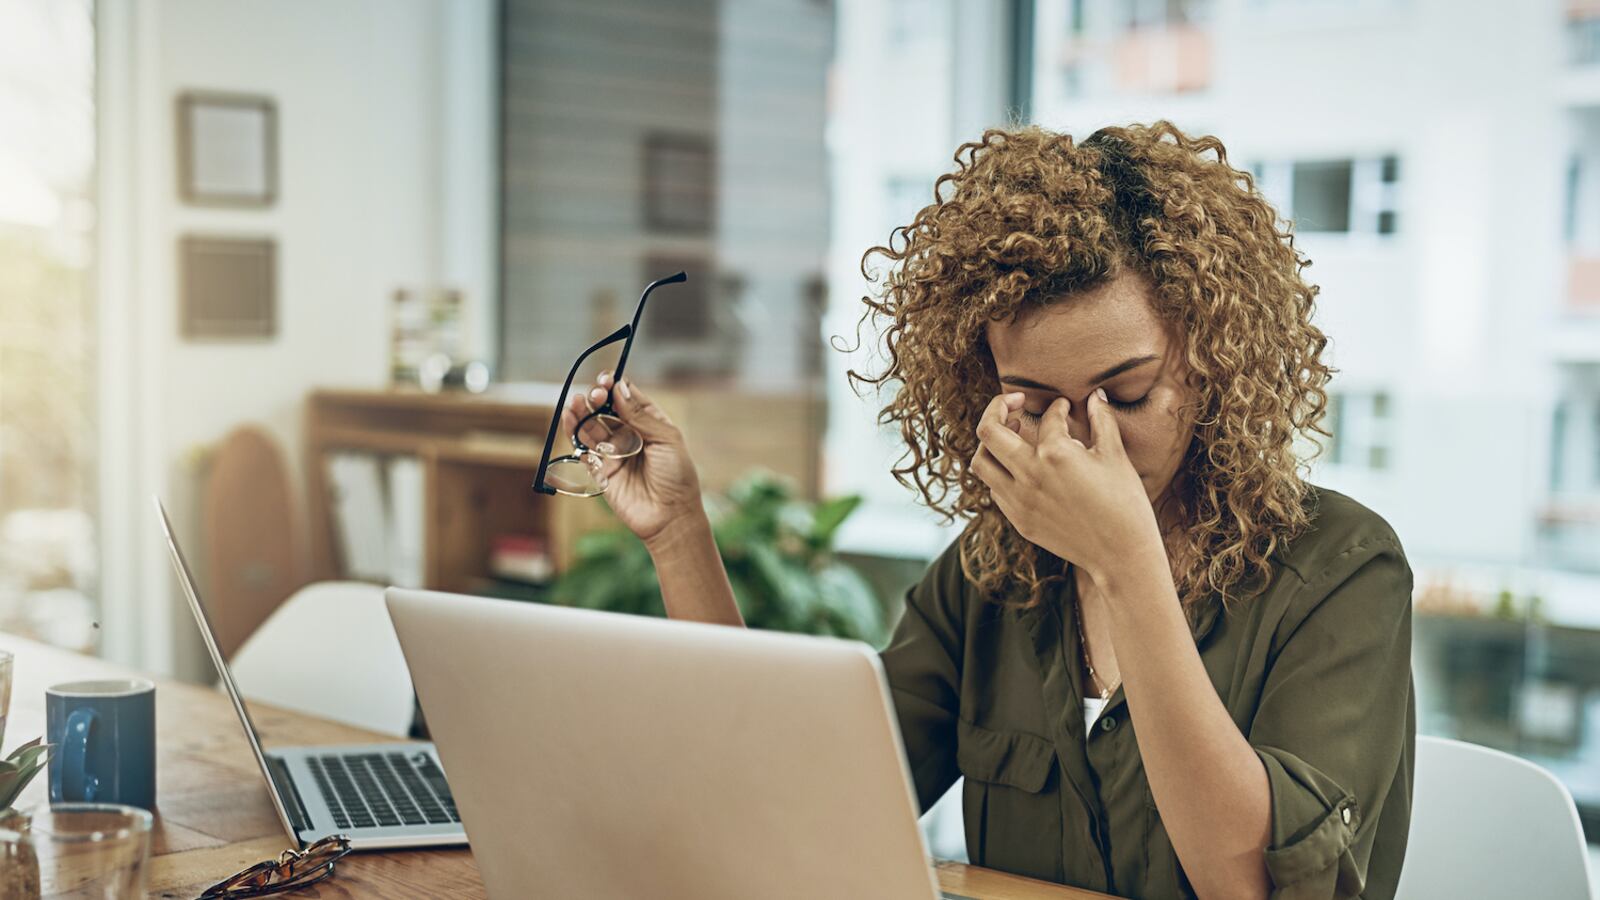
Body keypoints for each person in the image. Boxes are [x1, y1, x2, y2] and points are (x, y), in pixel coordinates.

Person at [557, 121, 1414, 900]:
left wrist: (1124, 565)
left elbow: (1251, 887)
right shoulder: (995, 572)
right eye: (1035, 402)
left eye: (1126, 393)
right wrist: (679, 533)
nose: (1078, 444)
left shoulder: (1342, 569)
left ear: (1211, 363)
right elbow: (786, 801)